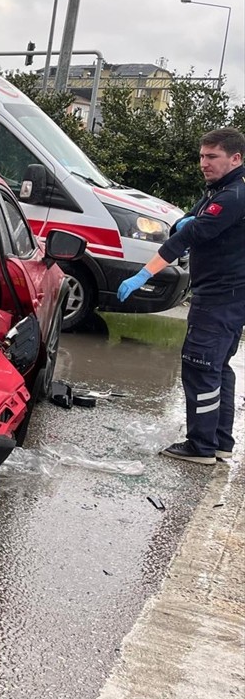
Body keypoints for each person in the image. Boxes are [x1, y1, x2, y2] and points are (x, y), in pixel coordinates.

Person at [117, 127, 245, 465]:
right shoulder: (223, 188)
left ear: (236, 158)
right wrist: (187, 220)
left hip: (221, 296)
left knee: (200, 365)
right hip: (226, 293)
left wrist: (145, 273)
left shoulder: (233, 196)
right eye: (202, 156)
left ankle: (200, 445)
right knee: (218, 368)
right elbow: (193, 219)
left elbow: (186, 238)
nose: (204, 163)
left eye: (212, 156)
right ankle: (219, 441)